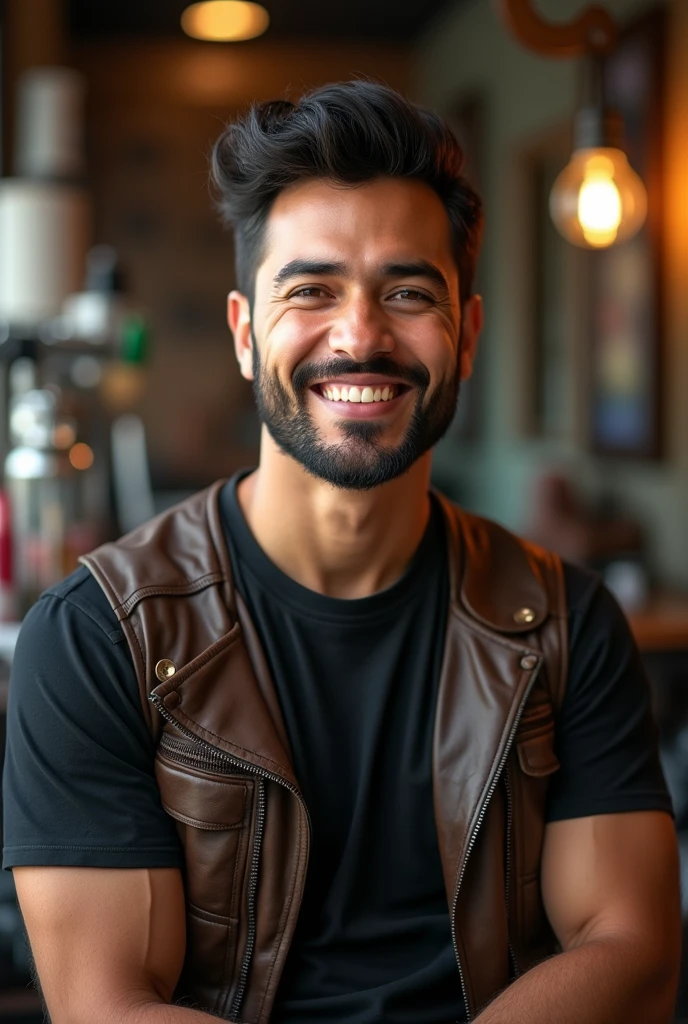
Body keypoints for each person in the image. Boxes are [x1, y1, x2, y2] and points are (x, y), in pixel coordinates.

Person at [2, 81, 680, 1024]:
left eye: (407, 293)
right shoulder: (94, 637)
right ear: (246, 335)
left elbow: (632, 949)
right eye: (311, 290)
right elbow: (105, 1006)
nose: (359, 335)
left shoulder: (566, 624)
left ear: (468, 335)